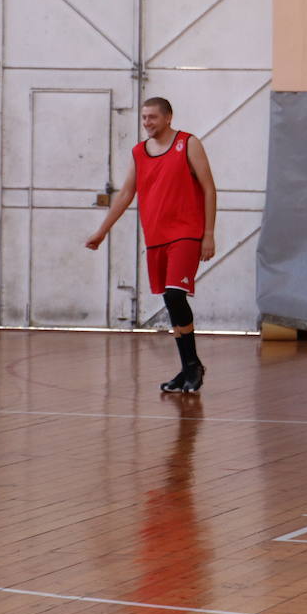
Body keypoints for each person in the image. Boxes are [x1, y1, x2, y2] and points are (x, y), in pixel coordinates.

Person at [87, 98, 217, 394]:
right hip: (156, 236)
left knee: (175, 295)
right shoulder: (138, 152)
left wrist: (208, 234)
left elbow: (209, 188)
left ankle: (193, 365)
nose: (147, 122)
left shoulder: (188, 143)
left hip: (186, 232)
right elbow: (125, 194)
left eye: (153, 117)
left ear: (168, 117)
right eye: (144, 117)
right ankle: (188, 368)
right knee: (171, 302)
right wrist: (101, 232)